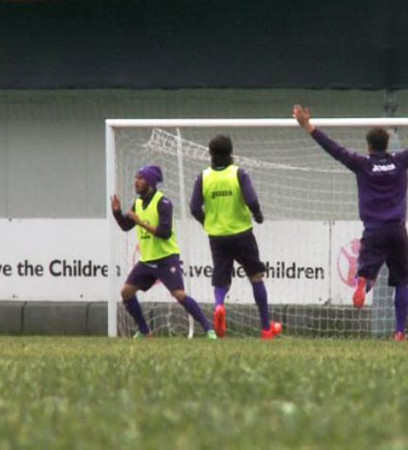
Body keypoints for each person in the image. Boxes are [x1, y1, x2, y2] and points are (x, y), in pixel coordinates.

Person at [294, 104, 408, 341]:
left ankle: (363, 281)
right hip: (397, 230)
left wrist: (308, 126)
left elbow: (334, 149)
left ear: (368, 146)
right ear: (386, 145)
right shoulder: (400, 162)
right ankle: (399, 331)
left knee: (367, 270)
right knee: (403, 281)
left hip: (373, 230)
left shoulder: (362, 163)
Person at [189, 135, 281, 339]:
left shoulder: (203, 177)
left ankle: (220, 306)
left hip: (217, 236)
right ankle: (266, 329)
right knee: (255, 276)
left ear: (210, 154)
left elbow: (194, 207)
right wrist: (258, 216)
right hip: (241, 233)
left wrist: (207, 222)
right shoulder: (239, 173)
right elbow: (251, 199)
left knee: (221, 278)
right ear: (230, 152)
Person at [111, 164, 216, 339]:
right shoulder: (137, 203)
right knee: (126, 292)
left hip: (166, 258)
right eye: (136, 178)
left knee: (179, 295)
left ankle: (208, 329)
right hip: (147, 260)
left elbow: (165, 233)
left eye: (141, 178)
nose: (136, 181)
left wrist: (141, 222)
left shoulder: (163, 202)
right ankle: (145, 331)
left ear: (150, 182)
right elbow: (126, 226)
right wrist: (117, 213)